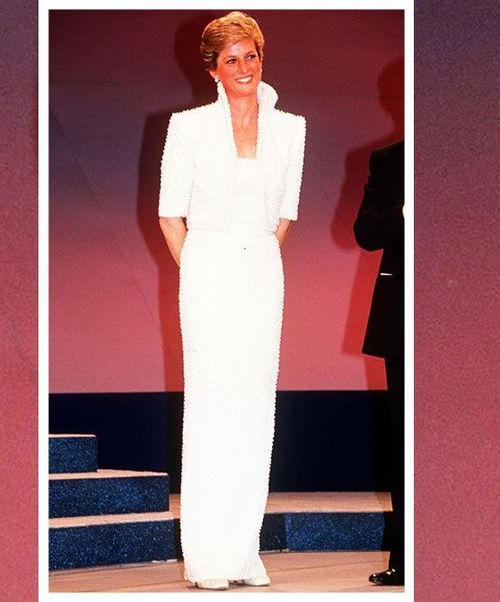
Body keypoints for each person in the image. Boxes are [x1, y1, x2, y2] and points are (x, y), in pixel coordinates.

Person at [158, 11, 306, 591]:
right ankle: (208, 558)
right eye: (231, 60)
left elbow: (287, 214)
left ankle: (243, 551)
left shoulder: (291, 129)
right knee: (213, 410)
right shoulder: (188, 127)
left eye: (252, 56)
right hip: (208, 269)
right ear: (213, 69)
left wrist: (258, 261)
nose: (244, 68)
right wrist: (200, 266)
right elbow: (170, 214)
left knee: (253, 413)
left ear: (262, 58)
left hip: (262, 273)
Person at [354, 139, 404, 586]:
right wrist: (404, 213)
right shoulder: (390, 160)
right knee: (405, 442)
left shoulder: (476, 149)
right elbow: (364, 232)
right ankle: (405, 559)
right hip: (404, 320)